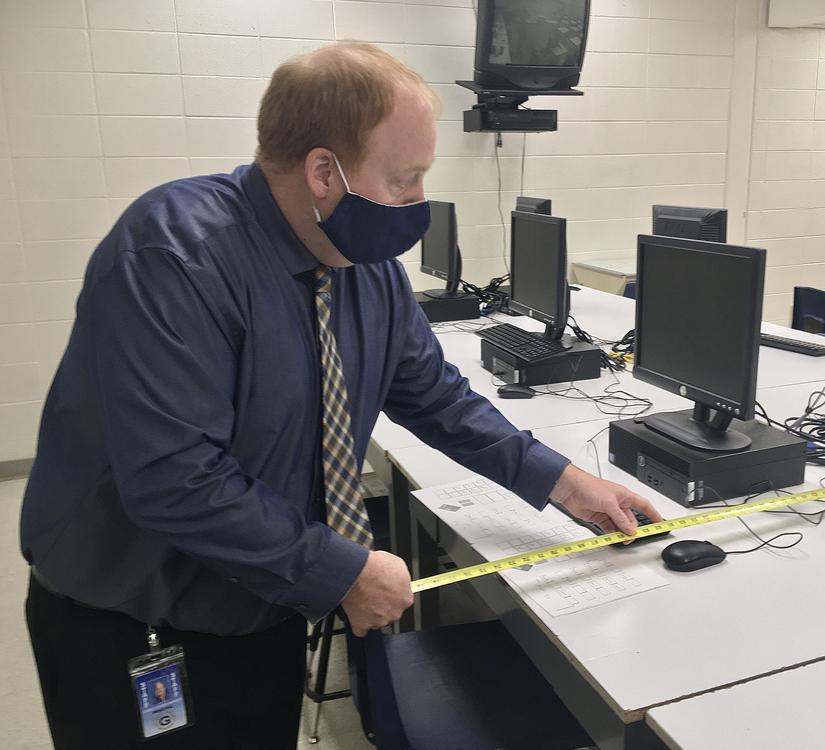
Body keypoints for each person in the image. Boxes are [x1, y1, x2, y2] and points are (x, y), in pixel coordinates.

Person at [20, 42, 662, 749]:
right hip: (135, 625)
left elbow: (436, 397)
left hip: (263, 604)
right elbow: (175, 480)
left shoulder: (364, 266)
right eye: (404, 179)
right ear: (324, 171)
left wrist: (567, 484)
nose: (418, 203)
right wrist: (342, 571)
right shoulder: (174, 257)